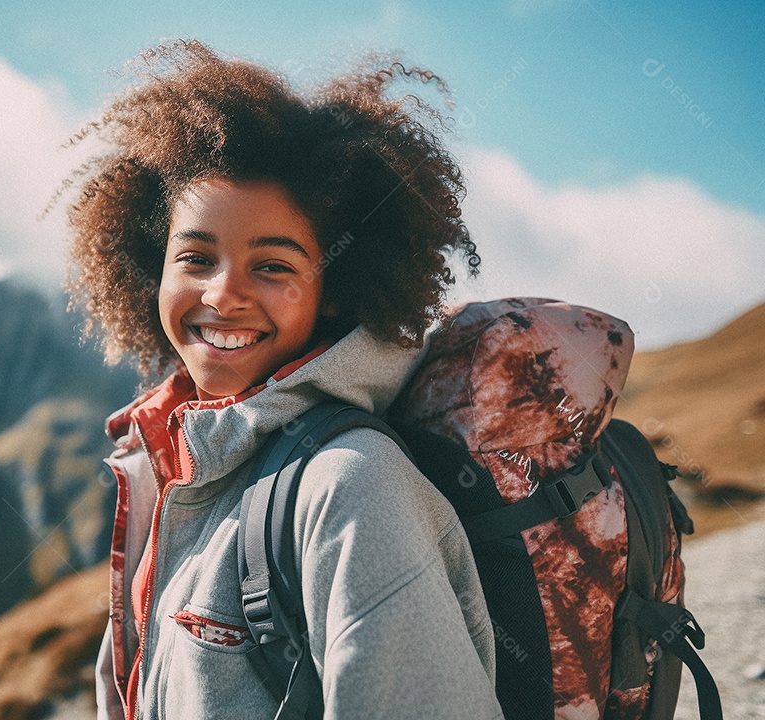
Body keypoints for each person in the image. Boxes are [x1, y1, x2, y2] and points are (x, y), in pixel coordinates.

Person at [64, 39, 503, 720]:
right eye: (195, 257)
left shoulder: (352, 486)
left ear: (334, 289)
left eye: (272, 266)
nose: (223, 293)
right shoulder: (165, 467)